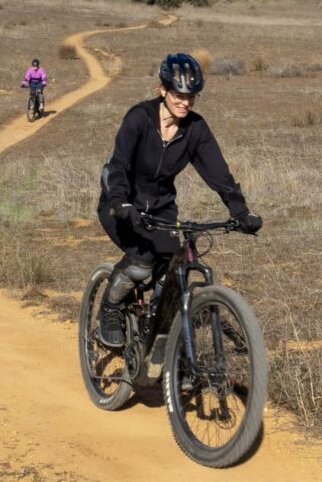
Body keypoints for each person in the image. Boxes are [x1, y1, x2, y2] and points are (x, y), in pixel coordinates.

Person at [95, 51, 261, 347]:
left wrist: (241, 211)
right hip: (119, 204)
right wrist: (121, 202)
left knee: (174, 267)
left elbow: (220, 175)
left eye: (191, 96)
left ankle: (158, 333)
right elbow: (117, 166)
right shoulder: (139, 118)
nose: (185, 102)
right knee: (143, 260)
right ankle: (110, 308)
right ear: (163, 90)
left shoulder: (195, 129)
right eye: (178, 95)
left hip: (161, 210)